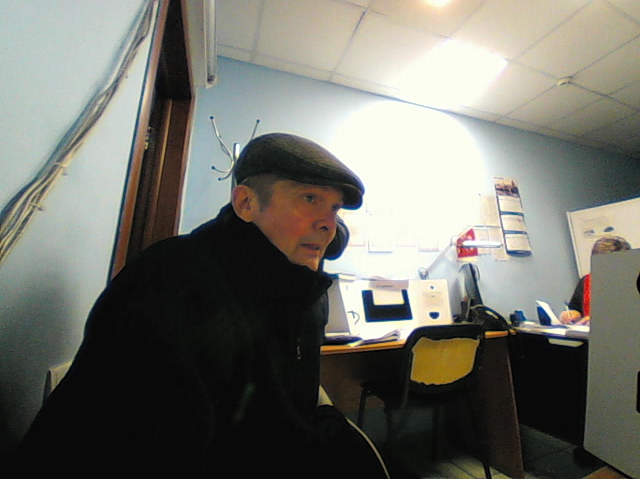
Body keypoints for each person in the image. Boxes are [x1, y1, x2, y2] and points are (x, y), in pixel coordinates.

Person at [9, 133, 389, 478]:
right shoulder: (173, 283)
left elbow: (280, 413)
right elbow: (162, 451)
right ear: (246, 203)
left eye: (335, 209)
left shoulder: (297, 288)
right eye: (310, 199)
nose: (327, 224)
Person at [559, 235, 631, 325]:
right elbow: (575, 308)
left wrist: (598, 320)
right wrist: (572, 314)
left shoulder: (632, 283)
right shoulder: (586, 281)